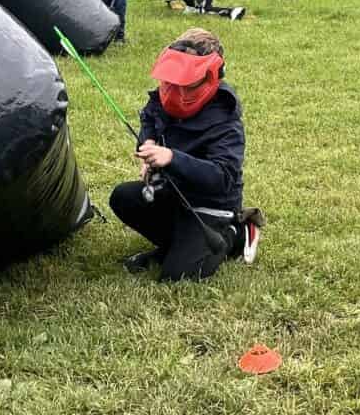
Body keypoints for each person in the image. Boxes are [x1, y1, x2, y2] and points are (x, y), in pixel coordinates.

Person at [109, 27, 261, 279]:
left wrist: (172, 158)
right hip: (174, 195)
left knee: (178, 274)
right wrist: (148, 143)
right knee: (124, 197)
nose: (176, 92)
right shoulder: (165, 96)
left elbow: (222, 178)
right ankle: (177, 245)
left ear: (209, 78)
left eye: (187, 85)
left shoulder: (225, 120)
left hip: (210, 208)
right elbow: (150, 116)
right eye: (171, 83)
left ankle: (236, 233)